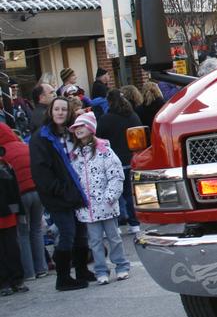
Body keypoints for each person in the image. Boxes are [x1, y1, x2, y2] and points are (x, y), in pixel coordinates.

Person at [29, 97, 91, 291]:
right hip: (57, 195)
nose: (60, 113)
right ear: (51, 111)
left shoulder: (71, 134)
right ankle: (63, 278)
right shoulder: (41, 138)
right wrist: (61, 190)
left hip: (76, 192)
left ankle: (82, 271)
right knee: (67, 233)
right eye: (57, 109)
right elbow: (41, 172)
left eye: (64, 109)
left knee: (81, 234)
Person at [68, 112, 129, 285]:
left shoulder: (105, 151)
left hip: (106, 204)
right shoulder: (76, 155)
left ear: (90, 128)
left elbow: (116, 175)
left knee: (114, 237)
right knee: (94, 241)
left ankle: (121, 266)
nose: (78, 130)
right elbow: (75, 179)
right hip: (87, 207)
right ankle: (101, 270)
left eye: (81, 126)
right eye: (76, 127)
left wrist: (110, 196)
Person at [0, 124, 46, 280]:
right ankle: (41, 267)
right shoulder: (23, 146)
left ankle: (29, 272)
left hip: (20, 196)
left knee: (22, 233)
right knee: (37, 230)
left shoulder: (3, 154)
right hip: (37, 192)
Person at [96, 90, 142, 235]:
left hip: (113, 161)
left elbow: (98, 139)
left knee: (113, 195)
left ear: (109, 101)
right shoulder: (133, 116)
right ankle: (135, 223)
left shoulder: (105, 119)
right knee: (130, 194)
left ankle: (116, 225)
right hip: (131, 159)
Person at [0, 146, 28, 296]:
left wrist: (19, 211)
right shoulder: (5, 165)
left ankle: (12, 281)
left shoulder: (5, 165)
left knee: (10, 249)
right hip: (9, 214)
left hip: (8, 215)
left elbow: (14, 191)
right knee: (10, 248)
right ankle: (12, 281)